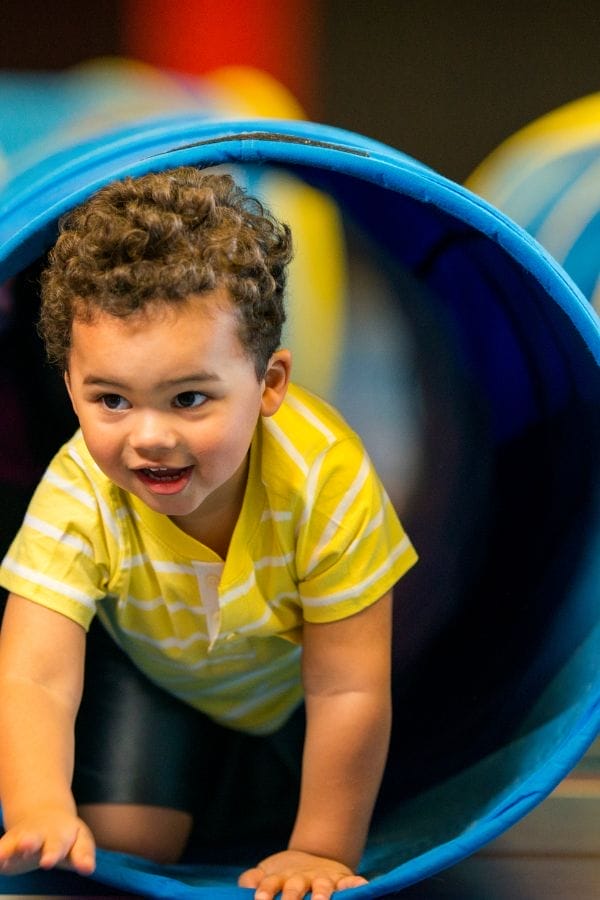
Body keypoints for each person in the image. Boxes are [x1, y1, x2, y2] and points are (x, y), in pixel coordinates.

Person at [0, 167, 417, 900]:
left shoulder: (325, 480)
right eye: (111, 400)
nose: (149, 438)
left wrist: (320, 848)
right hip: (157, 672)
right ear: (69, 386)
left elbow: (350, 683)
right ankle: (196, 787)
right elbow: (34, 669)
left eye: (189, 398)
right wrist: (40, 805)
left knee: (318, 810)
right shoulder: (79, 490)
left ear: (271, 384)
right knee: (127, 848)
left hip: (291, 686)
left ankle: (238, 789)